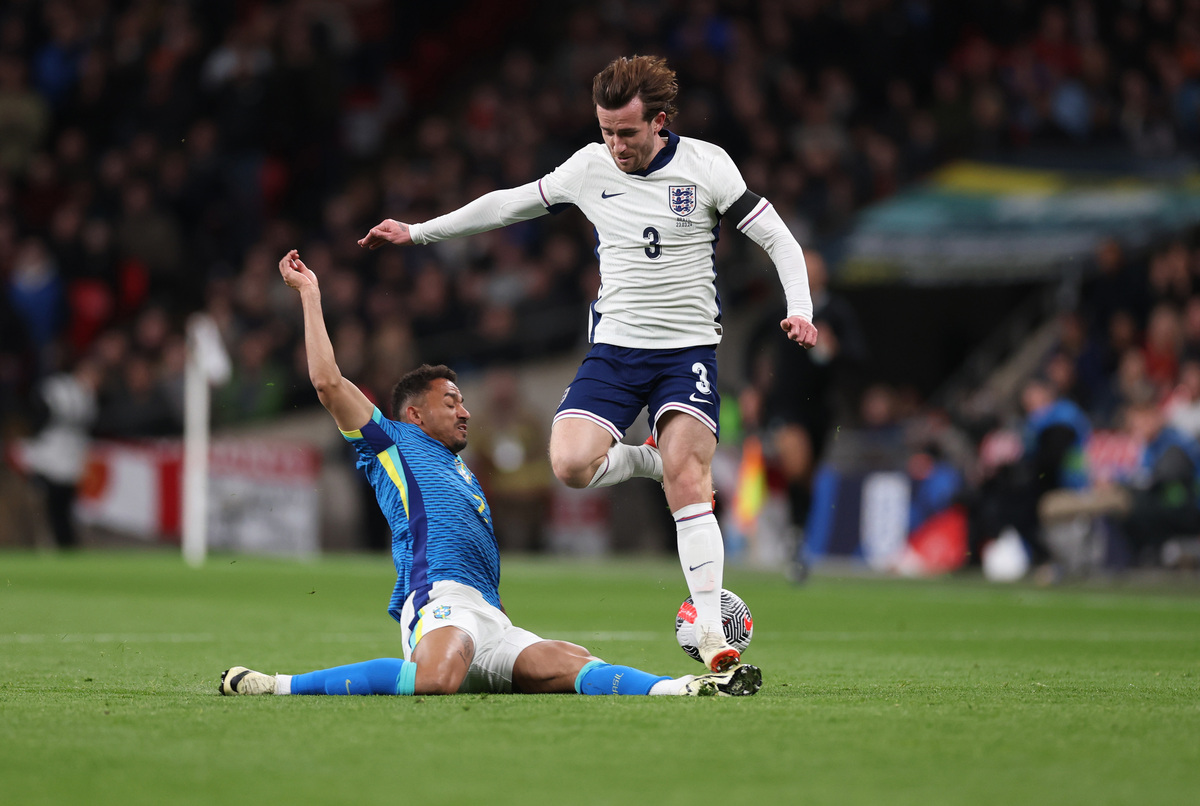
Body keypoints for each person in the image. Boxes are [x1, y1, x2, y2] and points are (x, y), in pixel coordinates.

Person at [358, 55, 817, 672]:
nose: (615, 143)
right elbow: (505, 205)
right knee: (571, 464)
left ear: (659, 121)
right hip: (617, 351)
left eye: (626, 132)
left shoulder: (707, 165)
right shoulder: (588, 168)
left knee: (690, 480)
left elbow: (777, 238)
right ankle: (654, 461)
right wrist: (418, 233)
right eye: (606, 130)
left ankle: (713, 633)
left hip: (686, 352)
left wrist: (801, 307)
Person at [218, 250, 762, 698]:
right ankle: (276, 684)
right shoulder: (390, 444)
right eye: (451, 402)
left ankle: (684, 688)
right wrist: (311, 297)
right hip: (437, 604)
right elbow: (327, 382)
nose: (465, 411)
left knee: (574, 663)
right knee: (435, 679)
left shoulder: (462, 471)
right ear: (415, 414)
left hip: (492, 619)